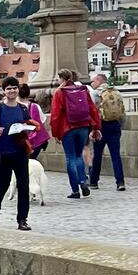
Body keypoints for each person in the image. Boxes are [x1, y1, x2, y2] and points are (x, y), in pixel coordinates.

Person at [0, 79, 34, 230]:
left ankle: (22, 219)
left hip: (20, 151)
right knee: (2, 185)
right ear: (4, 91)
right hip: (2, 151)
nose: (12, 91)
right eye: (9, 89)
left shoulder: (23, 108)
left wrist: (26, 129)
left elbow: (28, 124)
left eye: (14, 88)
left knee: (23, 186)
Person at [50, 70, 98, 199]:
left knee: (70, 158)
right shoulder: (82, 89)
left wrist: (55, 133)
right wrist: (96, 127)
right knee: (78, 156)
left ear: (61, 78)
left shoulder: (59, 92)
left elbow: (55, 115)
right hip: (83, 126)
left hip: (68, 128)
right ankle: (83, 181)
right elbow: (92, 108)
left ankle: (75, 190)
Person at [89, 75, 127, 190]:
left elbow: (92, 112)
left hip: (101, 126)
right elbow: (122, 112)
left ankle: (94, 181)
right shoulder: (117, 92)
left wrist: (93, 129)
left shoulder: (96, 93)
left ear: (100, 81)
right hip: (114, 126)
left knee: (97, 155)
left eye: (94, 81)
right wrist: (119, 125)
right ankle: (120, 182)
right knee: (115, 155)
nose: (92, 83)